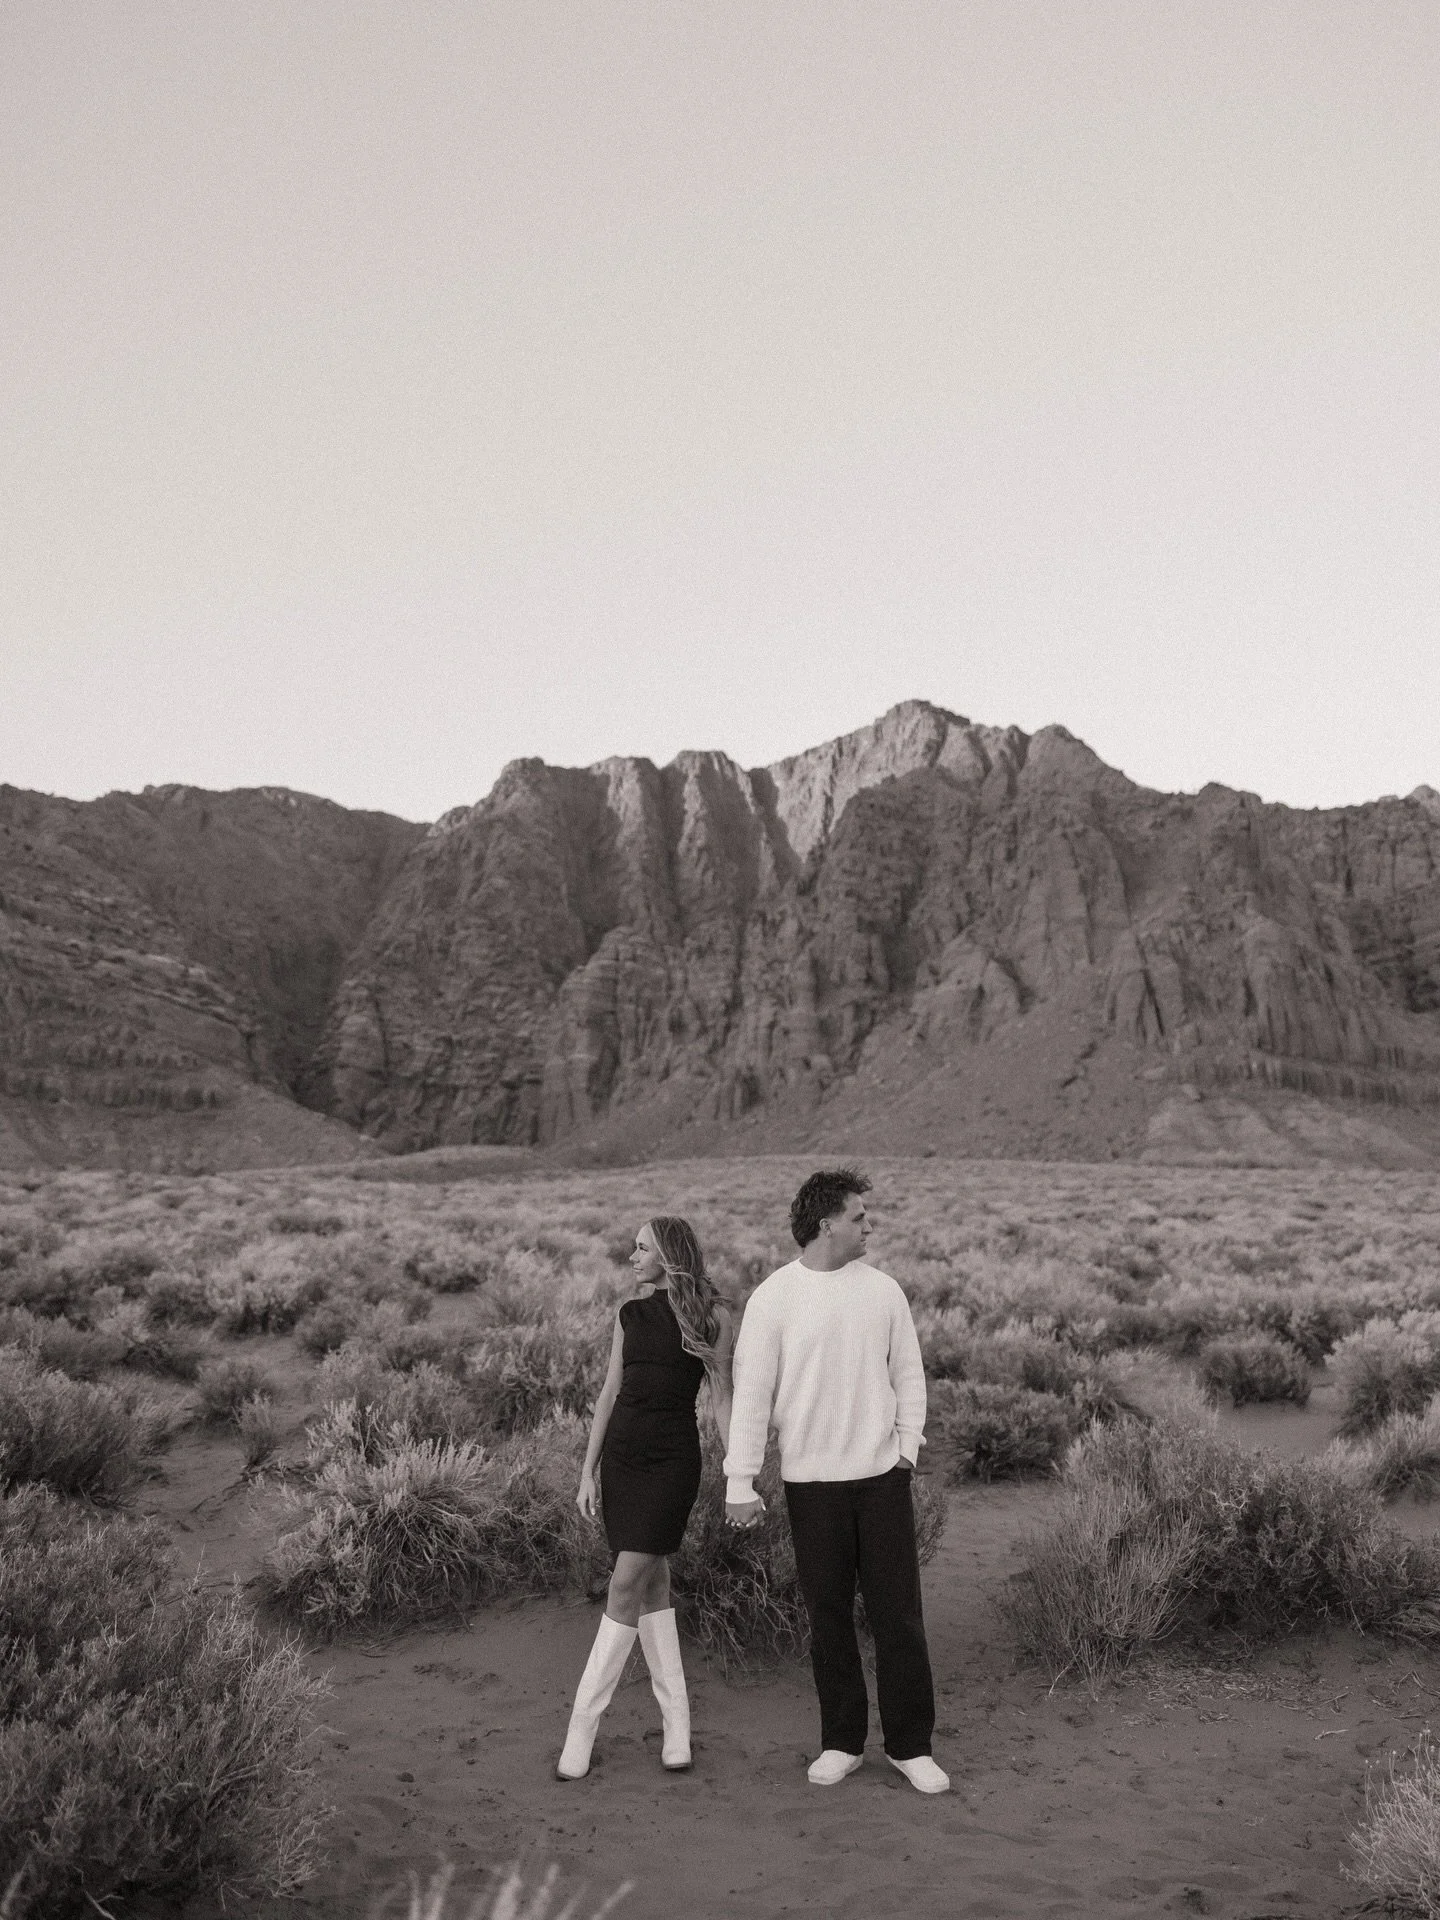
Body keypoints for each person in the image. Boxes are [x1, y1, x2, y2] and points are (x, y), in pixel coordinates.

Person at [723, 1168, 948, 1794]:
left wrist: (907, 1448)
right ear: (826, 1225)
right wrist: (740, 1479)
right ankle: (842, 1742)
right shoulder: (774, 1297)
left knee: (899, 1617)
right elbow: (751, 1396)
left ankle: (911, 1747)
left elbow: (909, 1375)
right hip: (811, 1485)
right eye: (859, 1216)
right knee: (828, 1619)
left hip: (880, 1481)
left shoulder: (884, 1292)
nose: (869, 1225)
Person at [556, 1215, 734, 1781]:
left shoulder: (711, 1316)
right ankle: (677, 1728)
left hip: (672, 1463)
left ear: (668, 1255)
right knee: (653, 1585)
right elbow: (609, 1394)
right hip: (623, 1460)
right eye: (632, 1249)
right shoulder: (628, 1315)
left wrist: (740, 1472)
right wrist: (587, 1472)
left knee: (623, 1584)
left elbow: (722, 1397)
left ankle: (581, 1728)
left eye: (641, 1248)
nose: (631, 1258)